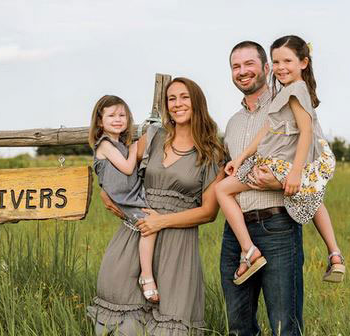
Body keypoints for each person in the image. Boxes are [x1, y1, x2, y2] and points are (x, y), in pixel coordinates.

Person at [88, 77, 224, 336]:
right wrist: (107, 196)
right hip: (135, 235)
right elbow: (114, 168)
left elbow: (209, 212)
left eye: (184, 97)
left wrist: (161, 221)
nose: (177, 104)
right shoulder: (153, 137)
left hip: (177, 242)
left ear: (197, 102)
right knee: (122, 313)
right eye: (171, 98)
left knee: (171, 319)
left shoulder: (212, 152)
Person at [216, 35, 344, 286]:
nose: (280, 67)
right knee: (311, 196)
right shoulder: (286, 93)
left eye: (287, 60)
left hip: (288, 164)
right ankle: (335, 254)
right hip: (291, 162)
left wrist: (295, 172)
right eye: (276, 61)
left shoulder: (296, 91)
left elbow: (306, 131)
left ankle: (249, 252)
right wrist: (240, 158)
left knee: (222, 189)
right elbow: (266, 130)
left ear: (304, 63)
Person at [219, 40, 301, 336]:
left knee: (284, 325)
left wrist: (280, 181)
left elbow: (315, 169)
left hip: (277, 226)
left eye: (249, 64)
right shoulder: (232, 123)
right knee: (238, 325)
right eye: (236, 66)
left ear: (267, 68)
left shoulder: (289, 109)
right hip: (235, 233)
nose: (242, 72)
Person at [88, 95, 160, 303]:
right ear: (100, 121)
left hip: (134, 191)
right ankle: (146, 276)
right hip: (124, 197)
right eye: (111, 115)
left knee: (153, 220)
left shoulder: (119, 143)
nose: (118, 119)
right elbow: (128, 167)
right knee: (149, 226)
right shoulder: (105, 144)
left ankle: (145, 271)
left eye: (122, 115)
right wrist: (134, 148)